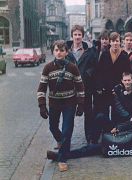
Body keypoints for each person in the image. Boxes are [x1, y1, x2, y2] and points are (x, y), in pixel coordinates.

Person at [46, 103, 132, 162]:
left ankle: (61, 156)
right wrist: (118, 128)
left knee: (92, 149)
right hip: (119, 136)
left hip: (126, 145)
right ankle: (91, 140)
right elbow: (126, 125)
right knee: (100, 117)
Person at [37, 40, 85, 172]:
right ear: (53, 51)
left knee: (67, 130)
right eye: (57, 50)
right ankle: (60, 141)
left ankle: (63, 159)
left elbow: (80, 86)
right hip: (54, 103)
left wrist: (80, 104)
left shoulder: (72, 67)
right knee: (53, 127)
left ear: (66, 52)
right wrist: (42, 105)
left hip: (70, 102)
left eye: (62, 50)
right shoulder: (47, 68)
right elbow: (41, 88)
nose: (59, 53)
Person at [92, 32, 130, 142]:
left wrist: (120, 87)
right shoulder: (104, 54)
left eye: (117, 41)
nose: (115, 43)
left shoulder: (124, 55)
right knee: (103, 112)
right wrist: (100, 86)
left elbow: (126, 72)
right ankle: (103, 134)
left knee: (116, 112)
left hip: (117, 89)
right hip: (105, 89)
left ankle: (114, 134)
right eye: (113, 41)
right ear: (110, 42)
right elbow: (99, 72)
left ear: (120, 42)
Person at [66, 25, 97, 145]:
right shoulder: (67, 51)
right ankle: (66, 139)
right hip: (71, 89)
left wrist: (87, 74)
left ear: (82, 36)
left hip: (86, 87)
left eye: (79, 35)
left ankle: (89, 137)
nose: (77, 37)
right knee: (69, 115)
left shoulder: (89, 50)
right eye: (75, 34)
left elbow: (95, 65)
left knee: (88, 113)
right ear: (72, 36)